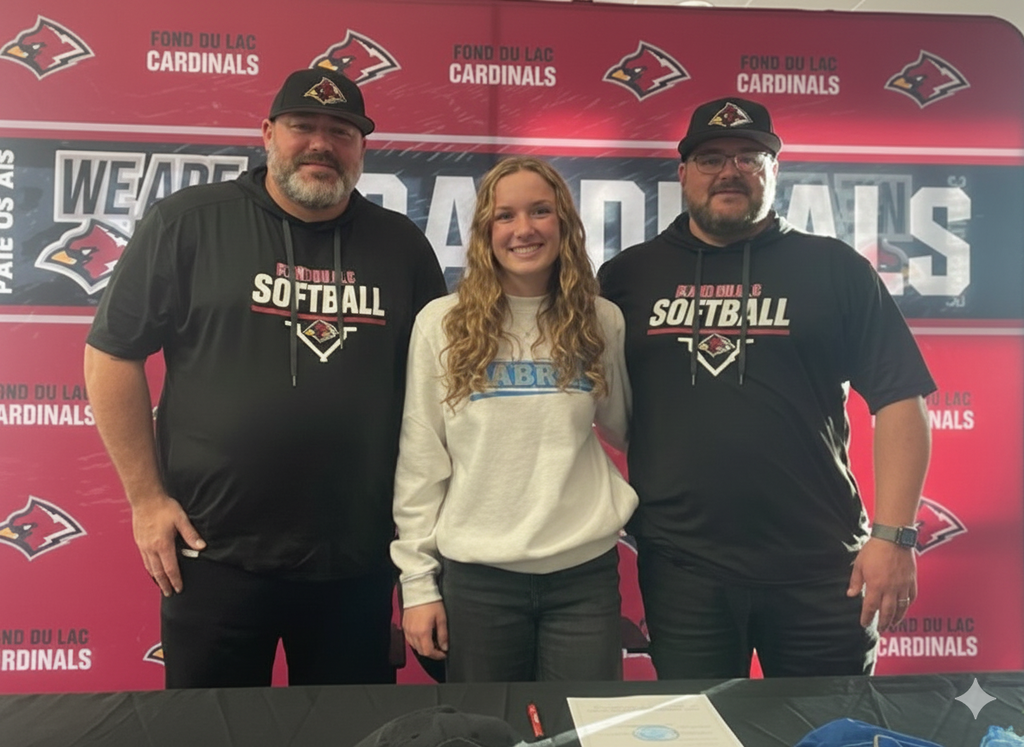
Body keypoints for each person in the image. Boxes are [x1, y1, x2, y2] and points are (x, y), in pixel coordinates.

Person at [84, 68, 447, 688]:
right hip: (211, 554)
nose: (320, 144)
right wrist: (146, 501)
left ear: (363, 148)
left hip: (356, 560)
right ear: (267, 134)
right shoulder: (190, 223)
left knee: (348, 736)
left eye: (341, 131)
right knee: (208, 734)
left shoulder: (402, 246)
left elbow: (439, 395)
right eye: (302, 126)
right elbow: (112, 354)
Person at [598, 97, 935, 679]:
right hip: (685, 571)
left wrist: (895, 536)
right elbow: (594, 404)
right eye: (710, 158)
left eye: (749, 156)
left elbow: (901, 398)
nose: (730, 171)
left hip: (823, 566)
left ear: (774, 171)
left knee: (828, 735)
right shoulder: (627, 277)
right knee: (697, 737)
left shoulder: (834, 268)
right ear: (682, 174)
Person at [391, 157, 637, 682]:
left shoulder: (601, 320)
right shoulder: (442, 323)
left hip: (583, 578)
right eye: (505, 216)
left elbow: (624, 427)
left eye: (540, 211)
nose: (523, 229)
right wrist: (417, 583)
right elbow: (420, 462)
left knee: (581, 732)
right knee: (484, 731)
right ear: (484, 231)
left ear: (564, 224)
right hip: (479, 583)